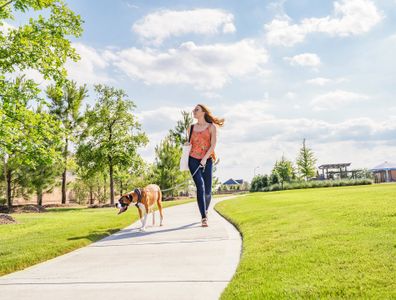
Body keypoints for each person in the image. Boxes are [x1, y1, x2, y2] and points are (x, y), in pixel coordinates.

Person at [187, 104, 224, 227]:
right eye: (194, 110)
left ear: (203, 112)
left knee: (208, 191)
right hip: (193, 160)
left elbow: (213, 145)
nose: (194, 111)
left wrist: (204, 158)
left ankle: (205, 210)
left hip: (207, 160)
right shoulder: (191, 128)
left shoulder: (211, 127)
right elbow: (190, 144)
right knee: (200, 187)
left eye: (196, 110)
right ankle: (203, 217)